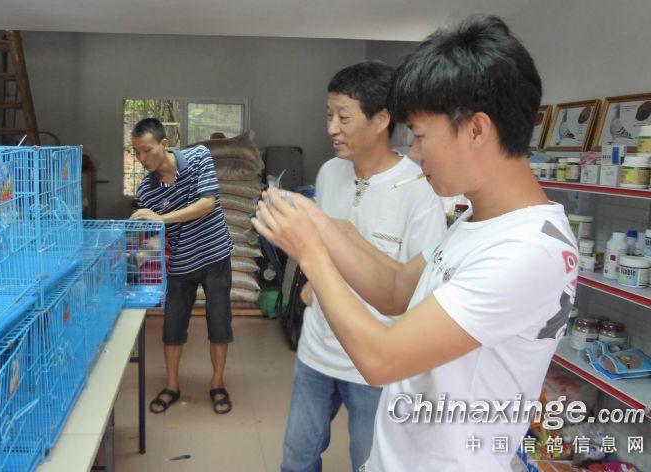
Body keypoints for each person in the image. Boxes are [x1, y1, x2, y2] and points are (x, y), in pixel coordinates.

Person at [253, 15, 577, 470]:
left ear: (477, 130)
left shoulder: (527, 251)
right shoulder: (478, 220)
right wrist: (319, 224)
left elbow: (382, 360)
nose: (415, 154)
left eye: (421, 137)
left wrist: (311, 253)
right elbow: (397, 290)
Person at [281, 61, 446, 472]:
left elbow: (420, 287)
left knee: (369, 463)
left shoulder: (419, 191)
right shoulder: (329, 173)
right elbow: (321, 246)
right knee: (297, 459)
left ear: (381, 119)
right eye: (328, 115)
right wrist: (313, 281)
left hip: (375, 360)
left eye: (343, 117)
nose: (331, 128)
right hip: (316, 350)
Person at [129, 118, 235, 415]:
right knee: (172, 328)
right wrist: (133, 257)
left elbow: (207, 203)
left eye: (146, 150)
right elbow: (153, 239)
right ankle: (172, 386)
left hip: (214, 256)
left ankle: (217, 384)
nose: (141, 158)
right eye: (136, 152)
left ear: (164, 145)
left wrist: (161, 218)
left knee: (219, 323)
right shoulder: (146, 191)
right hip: (180, 264)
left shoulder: (199, 157)